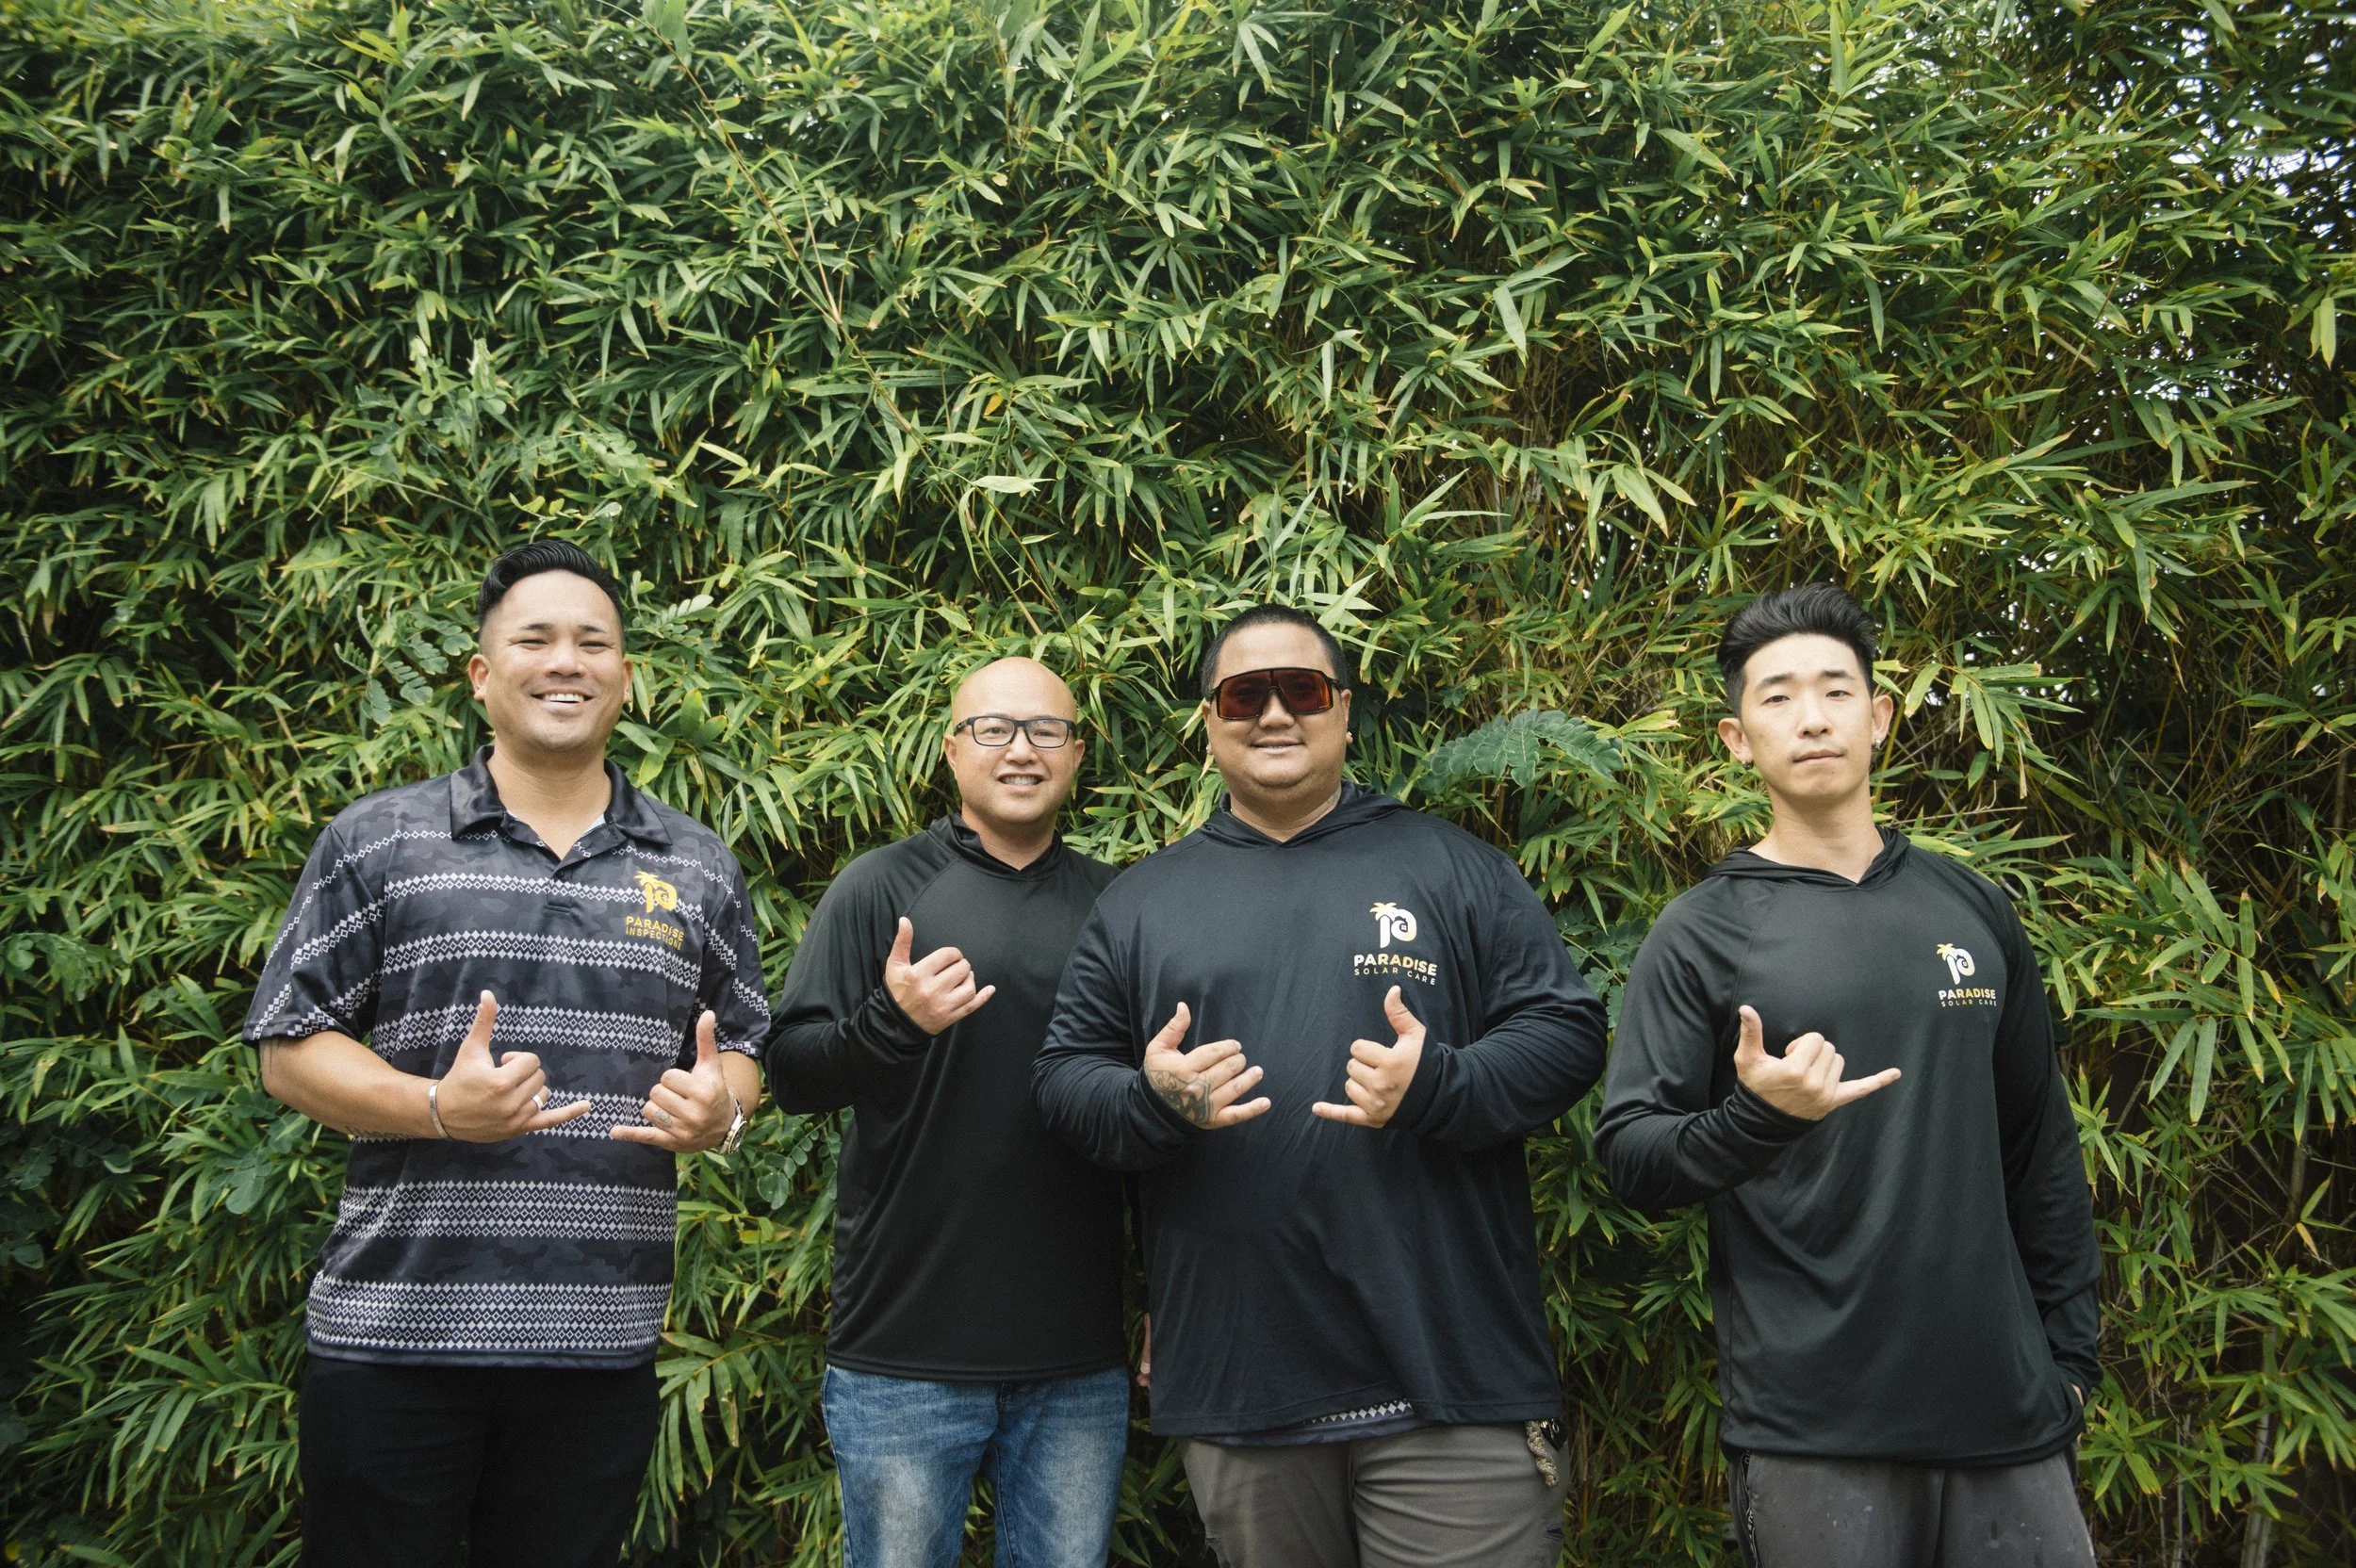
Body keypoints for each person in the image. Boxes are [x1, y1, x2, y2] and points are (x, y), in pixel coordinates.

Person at [1032, 605, 1608, 1568]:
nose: (1272, 713)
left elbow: (1566, 1033)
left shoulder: (1454, 867)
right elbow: (1062, 1082)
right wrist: (1152, 1098)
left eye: (1300, 689)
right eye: (1241, 694)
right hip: (1242, 1377)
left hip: (1449, 1374)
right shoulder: (1141, 900)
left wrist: (1440, 1081)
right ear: (1209, 722)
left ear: (1344, 711)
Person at [244, 540, 769, 1568]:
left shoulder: (697, 862)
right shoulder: (380, 839)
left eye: (593, 642)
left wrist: (725, 1110)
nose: (564, 660)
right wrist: (441, 1105)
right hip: (396, 1335)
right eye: (534, 639)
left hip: (598, 1337)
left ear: (626, 676)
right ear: (483, 674)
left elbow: (743, 1042)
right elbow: (287, 1044)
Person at [1594, 582, 2101, 1568]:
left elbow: (2040, 1146)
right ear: (1736, 737)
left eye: (1834, 689)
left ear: (1878, 716)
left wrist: (2069, 1361)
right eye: (1777, 695)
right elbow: (1629, 1156)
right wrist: (1754, 1117)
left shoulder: (1972, 908)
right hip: (1813, 1432)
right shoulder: (1702, 930)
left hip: (2007, 1417)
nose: (1812, 716)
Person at [766, 657, 1128, 1568]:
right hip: (904, 1348)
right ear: (951, 750)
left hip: (1077, 1354)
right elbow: (793, 1075)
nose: (1021, 750)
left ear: (1077, 752)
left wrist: (1160, 1293)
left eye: (1046, 730)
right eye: (994, 730)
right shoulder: (881, 888)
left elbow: (1146, 1125)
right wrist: (892, 1023)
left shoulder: (1120, 905)